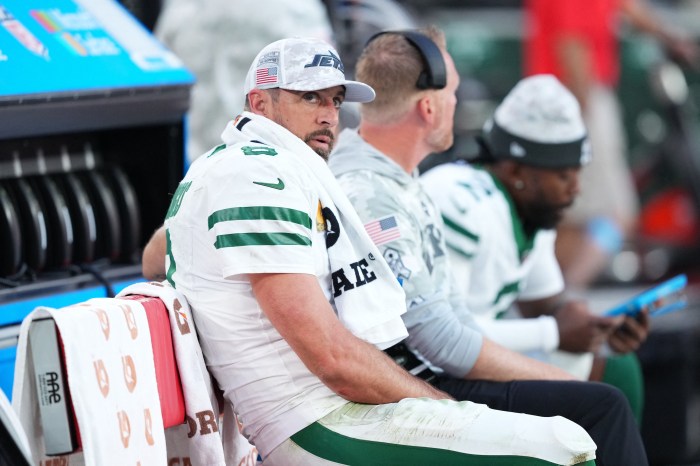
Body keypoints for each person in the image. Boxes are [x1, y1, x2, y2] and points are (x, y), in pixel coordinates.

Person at [153, 36, 599, 465]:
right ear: (260, 103)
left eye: (335, 100)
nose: (329, 116)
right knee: (563, 444)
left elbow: (157, 252)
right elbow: (334, 359)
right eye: (310, 98)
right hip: (313, 423)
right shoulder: (256, 176)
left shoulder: (236, 167)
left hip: (324, 408)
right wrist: (441, 406)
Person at [329, 28, 647, 465]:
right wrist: (556, 376)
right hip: (405, 390)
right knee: (599, 404)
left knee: (602, 393)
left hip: (426, 374)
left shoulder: (398, 180)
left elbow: (457, 321)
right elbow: (440, 340)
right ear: (428, 106)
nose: (458, 103)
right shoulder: (373, 193)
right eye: (454, 92)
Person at [421, 74, 650, 424]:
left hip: (471, 361)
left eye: (578, 174)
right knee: (600, 396)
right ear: (515, 169)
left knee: (614, 366)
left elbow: (546, 306)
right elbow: (446, 337)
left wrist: (599, 328)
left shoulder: (529, 209)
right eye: (564, 176)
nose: (575, 190)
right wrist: (557, 332)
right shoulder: (459, 200)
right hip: (429, 376)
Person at [523, 0, 699, 288]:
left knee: (576, 215)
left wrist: (670, 36)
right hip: (575, 96)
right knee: (608, 214)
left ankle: (556, 298)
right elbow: (571, 42)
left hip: (577, 95)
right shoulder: (576, 102)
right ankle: (562, 299)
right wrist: (578, 117)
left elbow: (626, 6)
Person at [154, 0, 333, 163]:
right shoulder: (296, 10)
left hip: (192, 164)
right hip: (269, 167)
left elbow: (157, 81)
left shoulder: (181, 8)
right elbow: (322, 86)